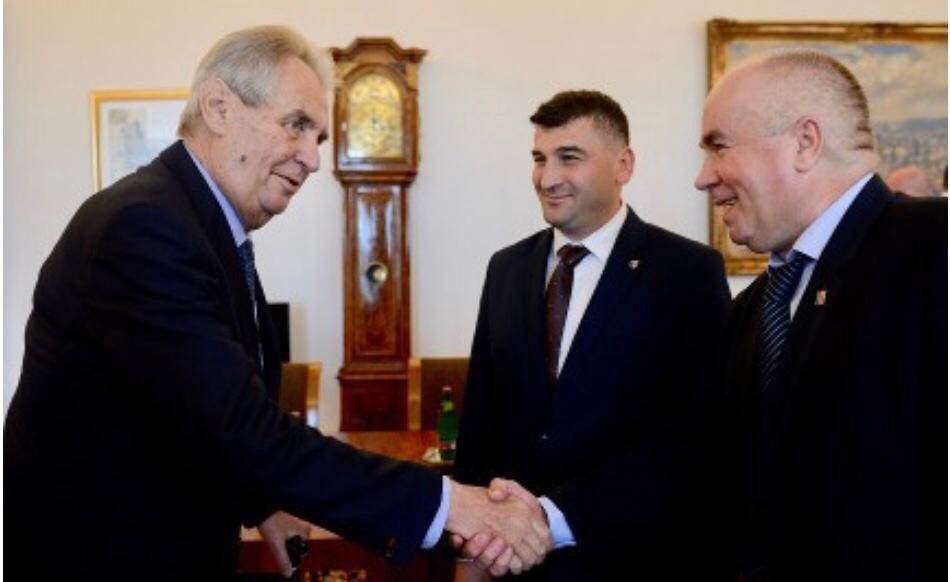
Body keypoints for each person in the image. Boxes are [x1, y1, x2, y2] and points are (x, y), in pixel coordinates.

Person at [4, 25, 550, 580]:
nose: (312, 159)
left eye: (319, 138)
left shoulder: (200, 225)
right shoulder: (144, 228)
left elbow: (190, 408)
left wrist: (262, 503)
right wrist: (451, 506)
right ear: (218, 107)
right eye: (296, 125)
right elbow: (241, 427)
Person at [453, 90, 731, 580]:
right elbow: (481, 421)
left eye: (569, 158)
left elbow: (694, 437)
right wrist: (471, 554)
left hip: (637, 559)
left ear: (624, 165)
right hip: (515, 564)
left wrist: (552, 518)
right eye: (539, 158)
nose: (547, 178)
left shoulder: (687, 271)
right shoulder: (507, 268)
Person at [695, 51, 946, 582]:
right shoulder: (752, 309)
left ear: (805, 143)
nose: (703, 177)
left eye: (718, 146)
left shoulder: (933, 250)